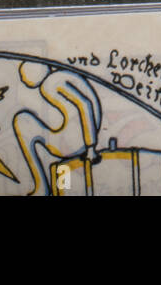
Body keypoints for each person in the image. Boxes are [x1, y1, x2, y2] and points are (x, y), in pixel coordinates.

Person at [11, 61, 103, 195]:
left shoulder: (52, 83)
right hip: (77, 138)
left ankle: (42, 188)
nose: (23, 78)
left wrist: (91, 148)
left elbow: (84, 104)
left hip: (75, 141)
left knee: (22, 121)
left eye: (24, 73)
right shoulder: (59, 77)